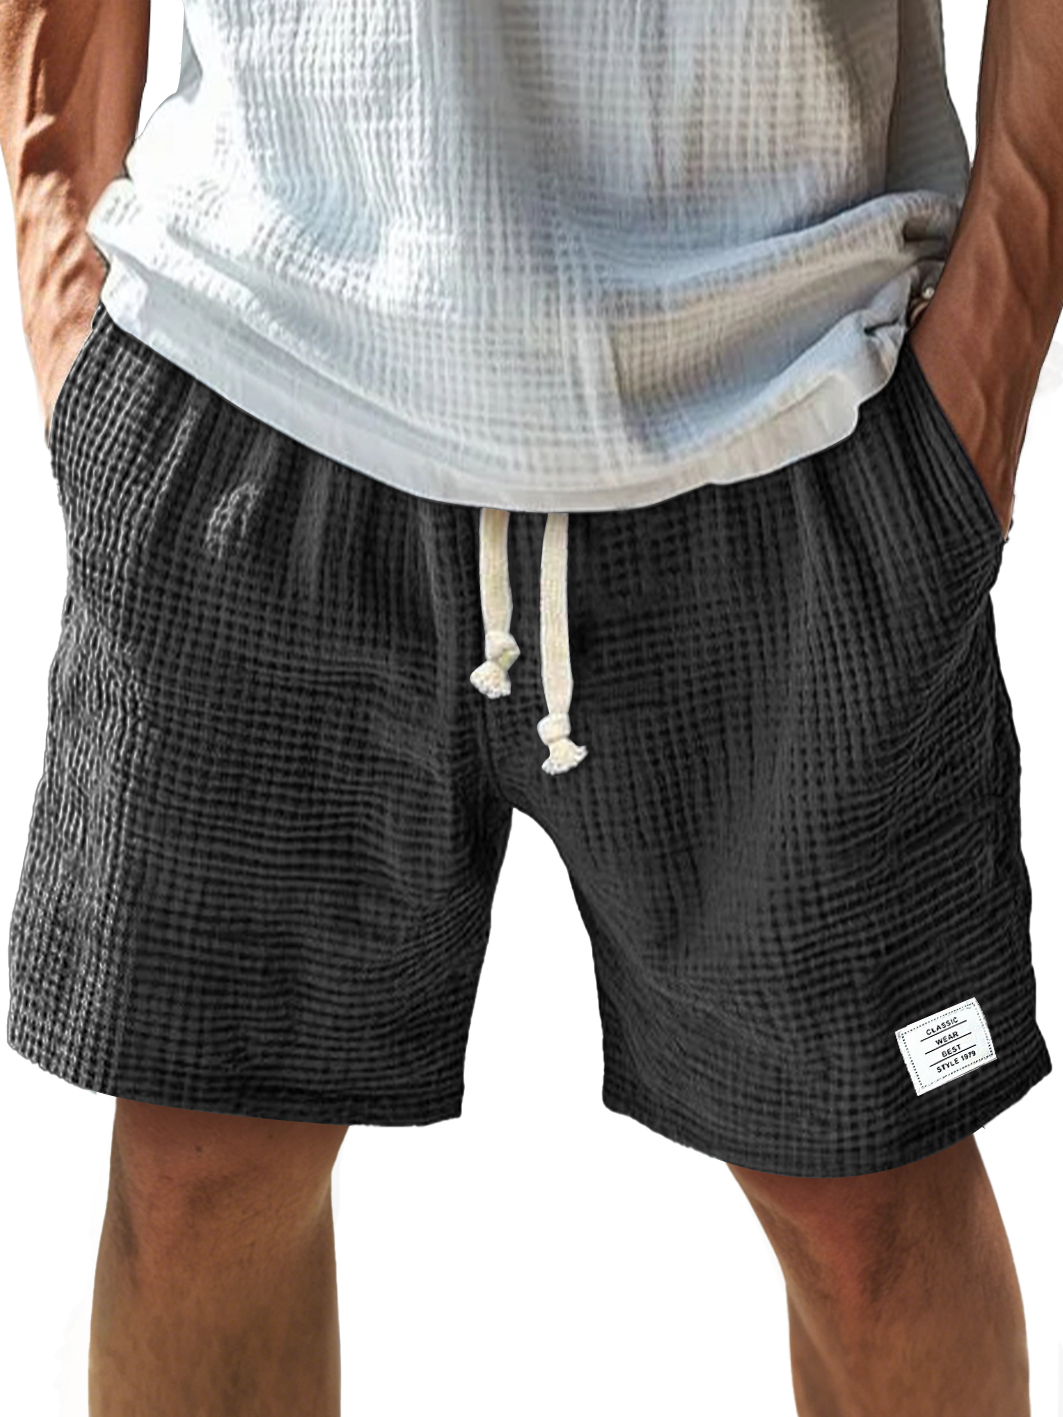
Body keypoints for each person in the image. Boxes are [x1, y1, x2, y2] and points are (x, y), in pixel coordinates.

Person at [1, 1, 1057, 1413]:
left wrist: (994, 344)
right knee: (198, 1177)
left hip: (793, 379)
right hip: (259, 354)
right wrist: (62, 246)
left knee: (869, 1206)